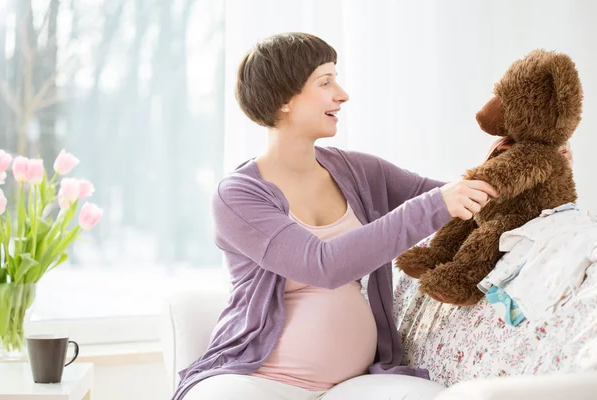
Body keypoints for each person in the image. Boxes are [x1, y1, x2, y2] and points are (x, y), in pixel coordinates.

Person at [173, 33, 572, 400]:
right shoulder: (238, 196)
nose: (342, 94)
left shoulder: (357, 171)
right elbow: (323, 265)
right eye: (325, 82)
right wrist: (437, 204)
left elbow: (460, 201)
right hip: (259, 378)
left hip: (355, 382)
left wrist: (527, 166)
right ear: (284, 98)